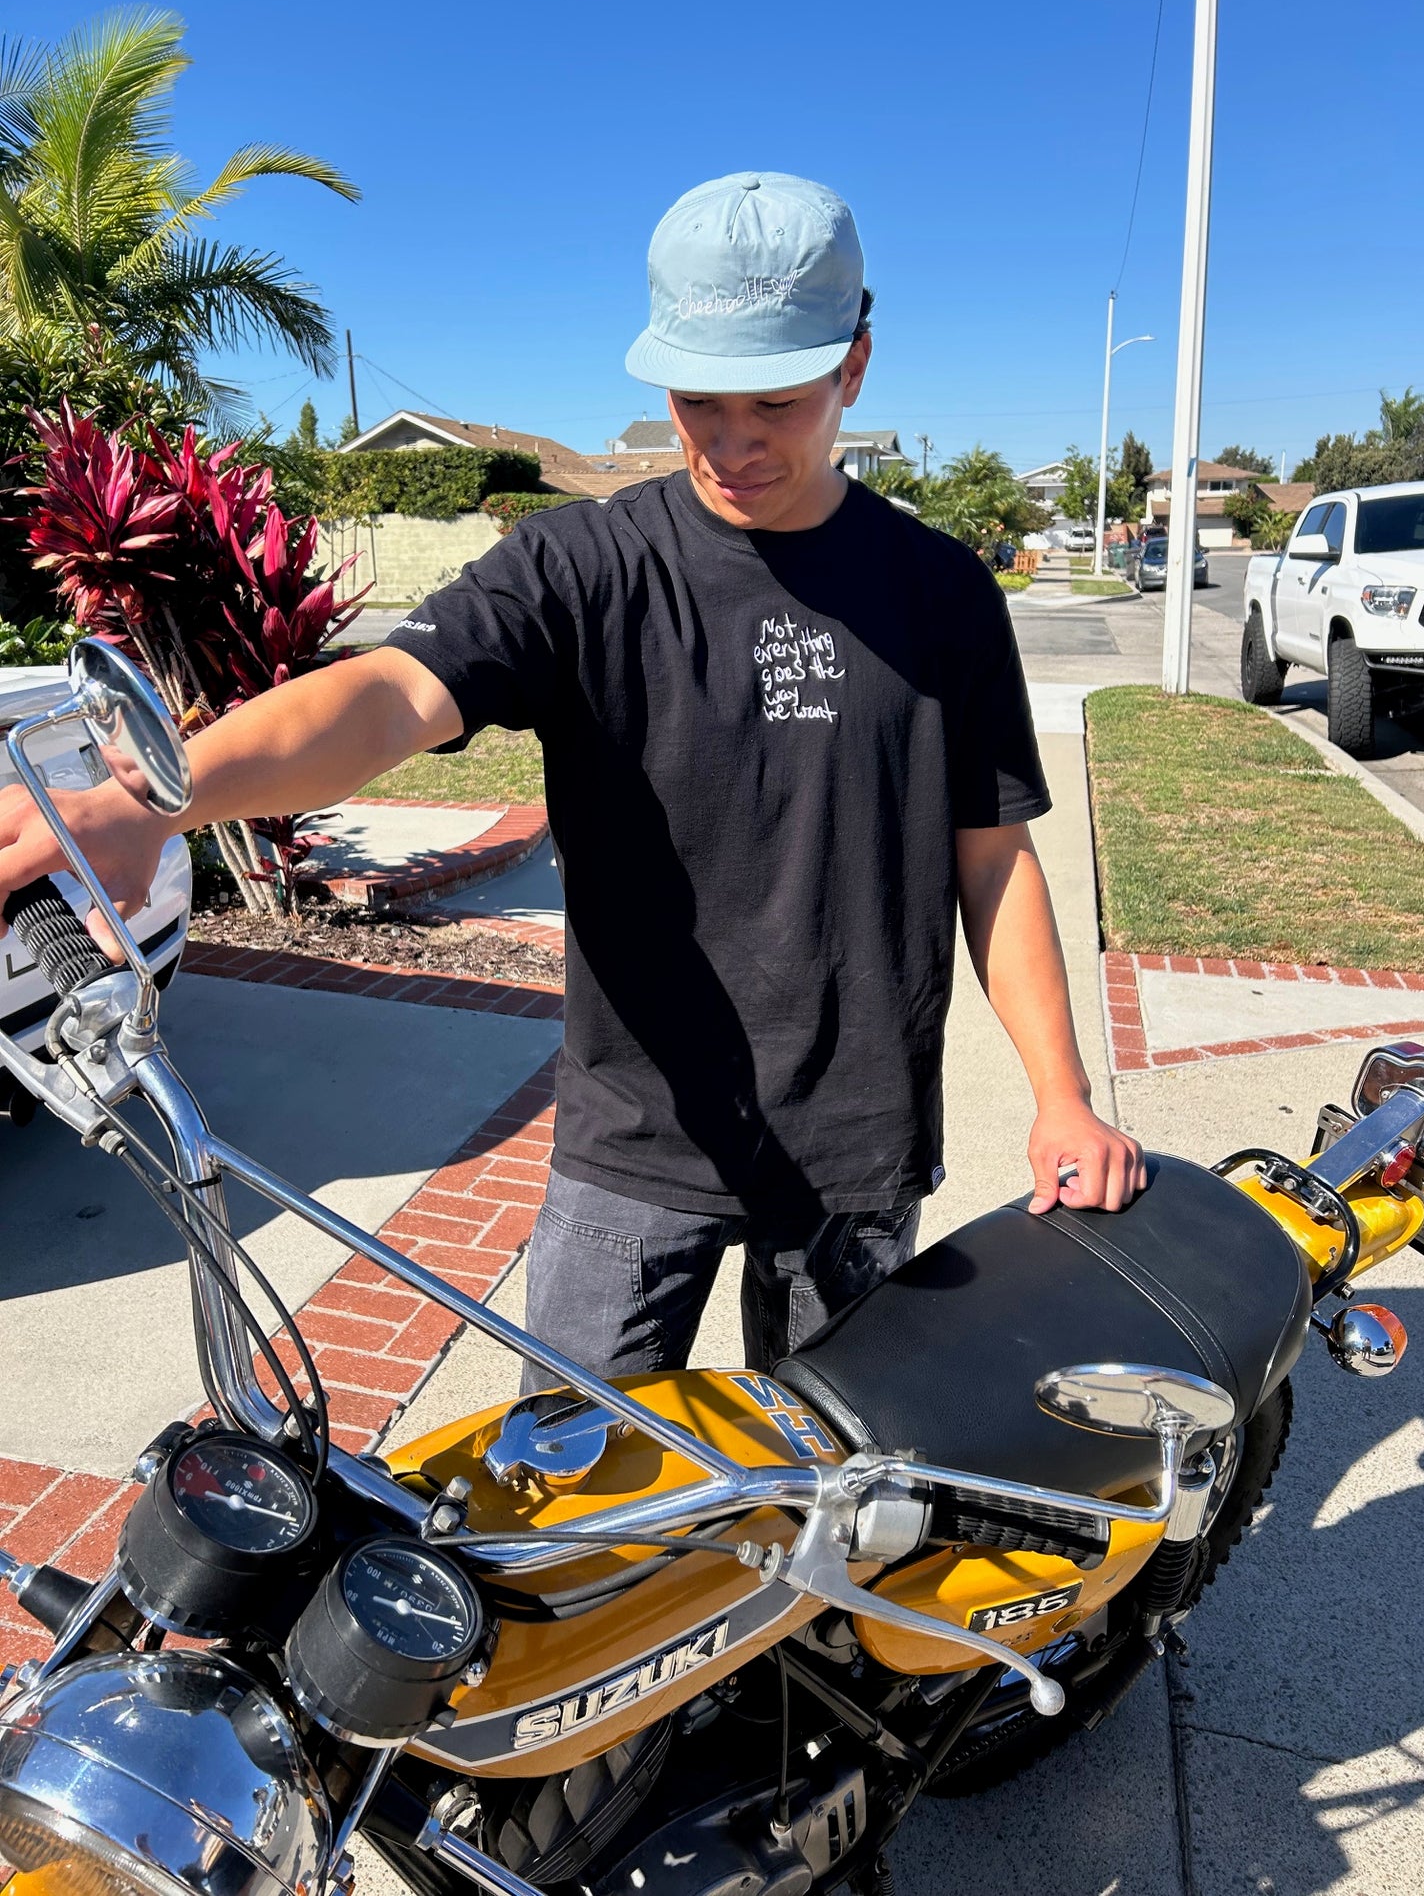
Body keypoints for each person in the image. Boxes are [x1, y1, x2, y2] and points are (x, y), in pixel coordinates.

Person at [0, 170, 1145, 1389]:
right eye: (698, 399)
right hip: (630, 1143)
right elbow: (386, 695)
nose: (733, 441)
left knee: (831, 1517)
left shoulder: (940, 593)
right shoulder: (579, 565)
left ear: (853, 367)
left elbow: (991, 856)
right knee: (564, 1502)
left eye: (777, 399)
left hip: (855, 1143)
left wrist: (1061, 1096)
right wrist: (158, 795)